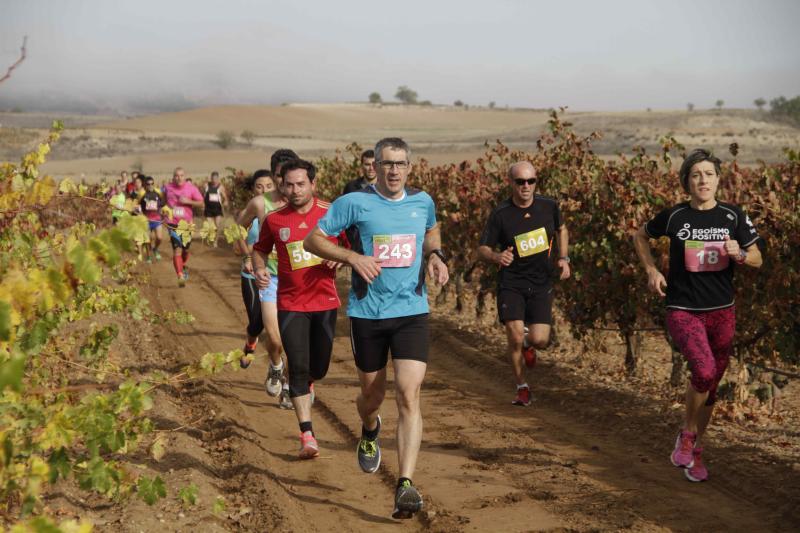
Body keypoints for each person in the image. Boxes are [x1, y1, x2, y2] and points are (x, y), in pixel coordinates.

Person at [304, 137, 449, 519]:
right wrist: (352, 256)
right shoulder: (355, 203)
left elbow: (432, 229)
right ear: (376, 167)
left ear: (410, 167)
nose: (394, 170)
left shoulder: (423, 201)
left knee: (408, 393)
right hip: (368, 313)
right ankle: (370, 428)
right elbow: (313, 238)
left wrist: (434, 255)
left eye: (401, 164)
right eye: (388, 164)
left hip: (412, 312)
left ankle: (405, 484)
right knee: (372, 395)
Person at [633, 148, 762, 483]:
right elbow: (640, 236)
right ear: (686, 182)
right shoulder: (674, 217)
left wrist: (741, 254)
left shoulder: (733, 217)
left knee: (712, 388)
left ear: (718, 179)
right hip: (683, 309)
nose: (702, 180)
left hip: (722, 312)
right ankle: (687, 434)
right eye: (695, 175)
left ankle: (695, 450)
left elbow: (759, 259)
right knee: (703, 372)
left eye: (708, 174)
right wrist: (651, 271)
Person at [253, 159, 348, 459]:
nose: (294, 190)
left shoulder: (332, 213)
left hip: (325, 303)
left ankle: (306, 383)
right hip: (291, 303)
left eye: (300, 184)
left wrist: (342, 258)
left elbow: (353, 248)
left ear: (313, 184)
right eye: (289, 185)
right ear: (282, 186)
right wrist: (258, 269)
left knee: (317, 368)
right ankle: (307, 433)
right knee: (298, 364)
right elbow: (259, 250)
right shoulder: (275, 220)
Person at [476, 161, 570, 407]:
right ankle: (522, 387)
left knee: (540, 340)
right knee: (514, 336)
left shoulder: (548, 206)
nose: (526, 186)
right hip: (512, 282)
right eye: (520, 182)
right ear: (511, 183)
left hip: (541, 281)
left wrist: (563, 257)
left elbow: (561, 229)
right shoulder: (501, 213)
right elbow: (482, 248)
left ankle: (530, 343)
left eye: (531, 181)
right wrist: (497, 256)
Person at [235, 150, 298, 408]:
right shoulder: (261, 204)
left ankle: (288, 387)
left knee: (296, 342)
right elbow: (238, 227)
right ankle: (275, 365)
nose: (287, 184)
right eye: (281, 177)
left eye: (291, 178)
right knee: (275, 338)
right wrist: (247, 256)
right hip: (269, 277)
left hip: (297, 280)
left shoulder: (305, 201)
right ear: (275, 176)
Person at [164, 167, 204, 287]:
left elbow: (201, 203)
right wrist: (164, 210)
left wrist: (188, 201)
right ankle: (180, 275)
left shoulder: (191, 188)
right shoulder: (167, 187)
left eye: (181, 175)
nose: (179, 178)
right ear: (173, 177)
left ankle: (183, 265)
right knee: (177, 249)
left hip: (187, 224)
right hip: (172, 224)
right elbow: (162, 200)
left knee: (185, 250)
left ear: (184, 177)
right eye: (176, 175)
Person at [140, 176, 165, 263]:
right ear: (145, 185)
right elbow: (137, 205)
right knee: (148, 239)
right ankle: (148, 256)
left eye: (152, 184)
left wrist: (162, 212)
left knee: (159, 238)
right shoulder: (142, 195)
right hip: (147, 220)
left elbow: (161, 205)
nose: (150, 185)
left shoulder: (158, 194)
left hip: (157, 219)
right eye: (148, 184)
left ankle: (155, 249)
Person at [203, 171, 229, 247]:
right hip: (208, 208)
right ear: (211, 178)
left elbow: (225, 198)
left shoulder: (221, 187)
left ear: (218, 179)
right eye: (213, 178)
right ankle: (211, 238)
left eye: (215, 178)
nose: (214, 180)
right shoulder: (206, 185)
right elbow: (203, 196)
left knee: (217, 226)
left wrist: (226, 202)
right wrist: (202, 204)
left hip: (217, 208)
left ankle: (215, 241)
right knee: (211, 226)